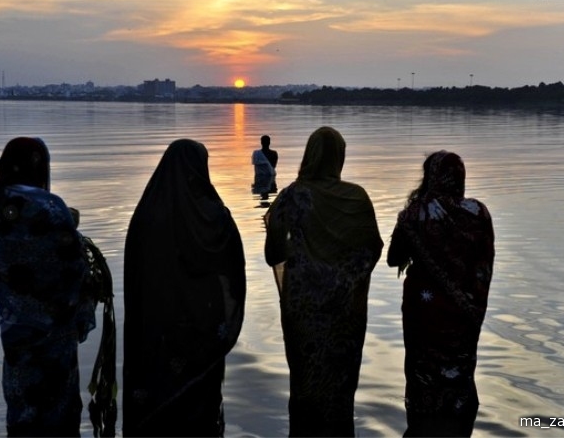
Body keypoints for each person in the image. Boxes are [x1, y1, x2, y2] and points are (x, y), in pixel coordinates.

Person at [0, 137, 96, 437]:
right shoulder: (51, 207)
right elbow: (75, 268)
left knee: (22, 400)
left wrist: (15, 292)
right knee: (58, 404)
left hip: (15, 329)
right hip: (56, 330)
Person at [264, 126, 383, 437]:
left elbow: (272, 252)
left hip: (303, 310)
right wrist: (343, 277)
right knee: (340, 383)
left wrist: (302, 257)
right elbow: (372, 248)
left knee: (306, 381)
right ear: (338, 158)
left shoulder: (291, 196)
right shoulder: (356, 198)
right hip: (346, 309)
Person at [123, 139, 246, 437]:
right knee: (199, 404)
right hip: (201, 330)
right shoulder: (213, 216)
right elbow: (231, 269)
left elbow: (136, 275)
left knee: (156, 396)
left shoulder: (146, 213)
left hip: (155, 329)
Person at [387, 150, 495, 437]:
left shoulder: (416, 214)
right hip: (464, 314)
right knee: (459, 366)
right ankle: (458, 412)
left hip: (425, 313)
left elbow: (393, 257)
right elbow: (484, 263)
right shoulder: (478, 213)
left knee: (424, 368)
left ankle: (424, 415)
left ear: (429, 176)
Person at [252, 134, 278, 199]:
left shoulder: (256, 154)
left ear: (261, 142)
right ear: (269, 142)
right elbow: (273, 166)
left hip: (259, 177)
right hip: (270, 176)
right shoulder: (274, 153)